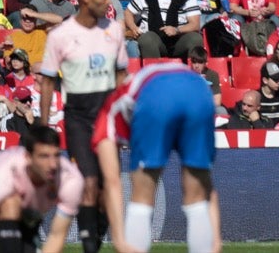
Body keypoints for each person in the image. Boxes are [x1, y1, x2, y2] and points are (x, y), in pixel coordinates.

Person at [37, 0, 125, 253]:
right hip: (78, 117)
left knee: (105, 187)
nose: (107, 2)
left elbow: (122, 76)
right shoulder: (60, 35)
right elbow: (48, 81)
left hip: (108, 116)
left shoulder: (114, 29)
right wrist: (42, 127)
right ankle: (89, 247)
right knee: (87, 180)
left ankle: (95, 239)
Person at [95, 64, 221, 253]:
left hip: (155, 98)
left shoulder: (109, 111)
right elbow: (209, 189)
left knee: (142, 195)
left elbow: (112, 182)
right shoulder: (136, 82)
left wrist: (119, 240)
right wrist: (216, 240)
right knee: (197, 195)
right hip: (200, 91)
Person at [0, 126, 82, 253]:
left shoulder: (71, 180)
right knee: (11, 203)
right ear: (28, 157)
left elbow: (57, 236)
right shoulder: (2, 173)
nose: (53, 165)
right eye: (44, 156)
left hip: (28, 215)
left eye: (56, 155)